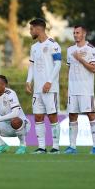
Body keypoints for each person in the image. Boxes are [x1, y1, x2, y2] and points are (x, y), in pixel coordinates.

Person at [26, 18, 62, 154]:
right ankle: (41, 147)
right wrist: (28, 81)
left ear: (38, 29)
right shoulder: (34, 47)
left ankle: (56, 147)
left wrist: (49, 81)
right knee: (38, 117)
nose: (30, 32)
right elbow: (32, 65)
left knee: (52, 116)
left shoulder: (53, 44)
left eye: (31, 29)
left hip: (50, 88)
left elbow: (58, 64)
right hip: (37, 89)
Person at [64, 25, 95, 155]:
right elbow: (69, 69)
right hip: (73, 90)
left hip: (86, 89)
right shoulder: (70, 50)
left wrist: (80, 59)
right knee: (72, 116)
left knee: (91, 115)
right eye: (74, 33)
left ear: (84, 34)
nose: (75, 35)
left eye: (77, 32)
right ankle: (72, 146)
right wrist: (67, 87)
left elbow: (94, 69)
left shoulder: (91, 49)